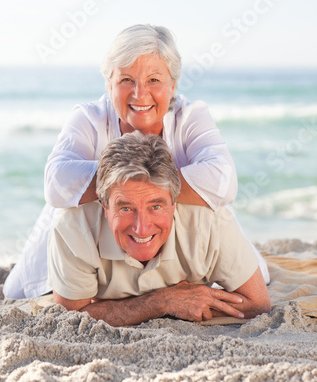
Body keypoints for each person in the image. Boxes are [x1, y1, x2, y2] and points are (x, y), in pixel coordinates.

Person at [4, 24, 269, 299]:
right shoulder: (89, 118)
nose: (140, 94)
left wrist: (150, 184)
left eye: (154, 80)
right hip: (103, 228)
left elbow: (224, 182)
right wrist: (126, 182)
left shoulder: (189, 117)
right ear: (109, 85)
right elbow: (56, 184)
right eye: (126, 80)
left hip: (165, 231)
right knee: (22, 290)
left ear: (173, 85)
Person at [48, 132, 271, 326]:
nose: (141, 227)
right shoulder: (73, 230)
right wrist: (162, 302)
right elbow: (72, 316)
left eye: (156, 206)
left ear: (174, 201)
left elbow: (256, 304)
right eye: (125, 208)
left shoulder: (211, 222)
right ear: (104, 204)